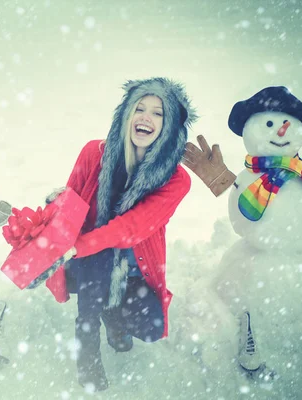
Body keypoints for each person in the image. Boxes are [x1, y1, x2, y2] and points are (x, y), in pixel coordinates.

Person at [43, 78, 199, 391]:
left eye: (158, 113)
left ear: (170, 127)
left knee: (151, 326)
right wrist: (53, 205)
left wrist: (81, 245)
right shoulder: (93, 153)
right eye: (139, 108)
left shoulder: (175, 180)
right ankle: (87, 353)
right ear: (125, 115)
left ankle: (112, 311)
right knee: (97, 266)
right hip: (85, 263)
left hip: (131, 271)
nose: (145, 117)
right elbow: (71, 202)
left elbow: (131, 228)